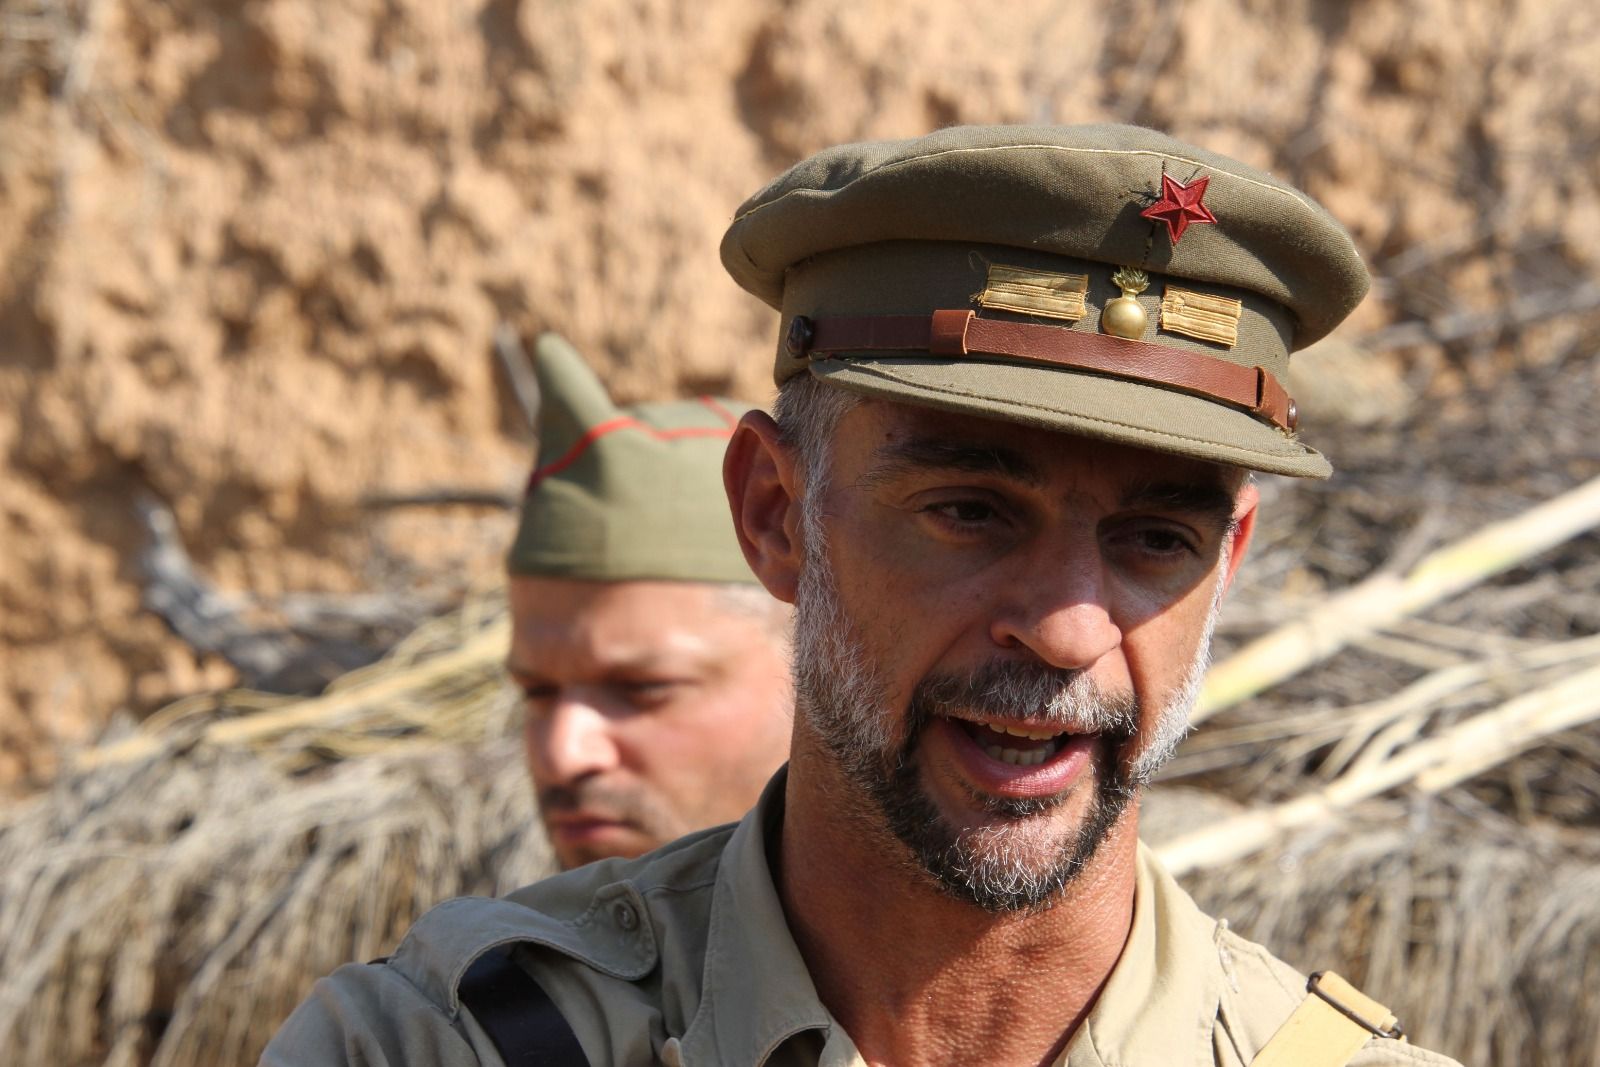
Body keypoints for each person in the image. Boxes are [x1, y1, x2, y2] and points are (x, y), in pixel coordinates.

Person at [263, 126, 1462, 1067]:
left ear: (1230, 560)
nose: (1064, 626)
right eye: (969, 512)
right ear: (776, 516)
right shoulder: (440, 1042)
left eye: (1155, 538)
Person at [505, 334, 792, 869]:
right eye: (538, 692)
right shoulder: (482, 952)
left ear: (819, 660)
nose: (564, 755)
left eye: (643, 689)